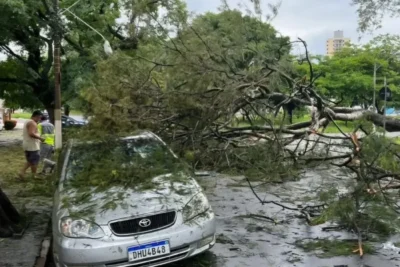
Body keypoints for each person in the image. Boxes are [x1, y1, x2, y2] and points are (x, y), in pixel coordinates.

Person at [19, 110, 45, 179]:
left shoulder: (27, 121)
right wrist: (40, 138)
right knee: (33, 160)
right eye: (39, 118)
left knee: (31, 161)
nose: (40, 119)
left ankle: (29, 174)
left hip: (27, 144)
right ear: (36, 116)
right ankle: (27, 173)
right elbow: (31, 133)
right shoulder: (32, 123)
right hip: (32, 145)